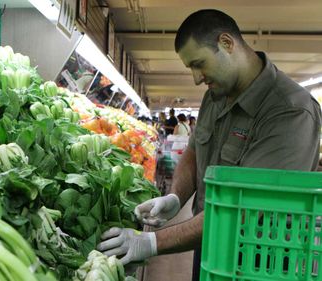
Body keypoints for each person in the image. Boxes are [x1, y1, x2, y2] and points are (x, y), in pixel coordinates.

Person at [96, 9, 321, 281]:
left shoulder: (290, 111)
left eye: (199, 64)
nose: (196, 77)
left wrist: (152, 243)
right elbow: (194, 151)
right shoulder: (215, 97)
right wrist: (175, 197)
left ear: (227, 43)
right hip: (211, 247)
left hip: (259, 262)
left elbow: (246, 211)